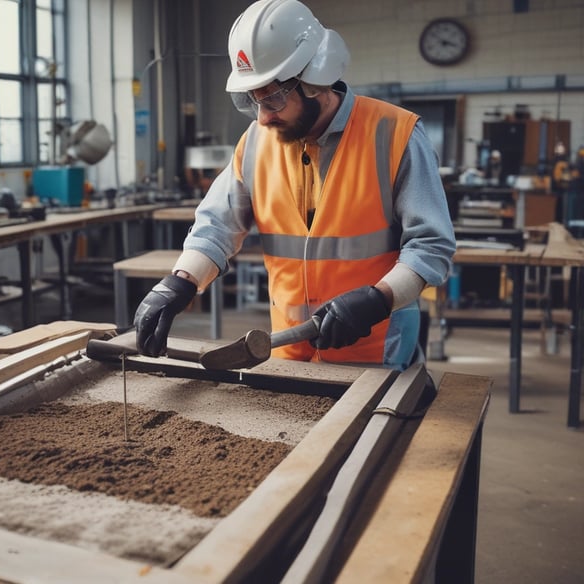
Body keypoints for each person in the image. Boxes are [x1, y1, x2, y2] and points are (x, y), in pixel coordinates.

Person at [134, 0, 456, 371]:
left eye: (272, 97)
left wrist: (378, 300)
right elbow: (218, 225)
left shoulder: (395, 135)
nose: (263, 117)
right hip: (287, 354)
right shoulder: (256, 142)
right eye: (252, 100)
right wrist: (180, 283)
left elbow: (431, 247)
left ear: (315, 80)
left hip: (377, 353)